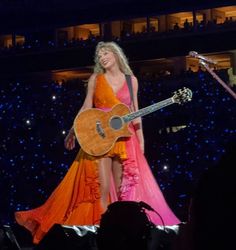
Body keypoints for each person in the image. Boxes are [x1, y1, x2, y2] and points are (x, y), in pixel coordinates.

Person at [15, 41, 180, 244]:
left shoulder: (131, 81)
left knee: (123, 190)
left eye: (106, 52)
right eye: (99, 55)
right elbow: (86, 107)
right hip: (100, 136)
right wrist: (73, 131)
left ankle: (122, 234)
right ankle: (102, 234)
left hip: (124, 138)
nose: (102, 57)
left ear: (116, 54)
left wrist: (141, 141)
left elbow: (136, 112)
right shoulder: (96, 78)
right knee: (101, 188)